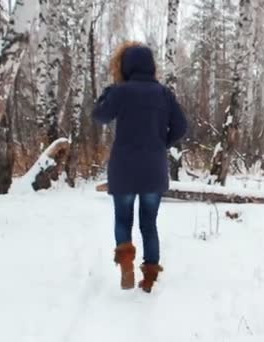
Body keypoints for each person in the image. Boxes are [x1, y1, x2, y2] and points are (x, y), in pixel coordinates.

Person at [92, 42, 188, 293]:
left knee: (123, 219)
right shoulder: (163, 94)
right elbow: (181, 127)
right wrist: (160, 144)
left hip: (123, 168)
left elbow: (100, 115)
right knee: (149, 223)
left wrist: (108, 92)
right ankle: (149, 279)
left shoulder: (121, 92)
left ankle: (126, 265)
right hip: (153, 169)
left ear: (126, 66)